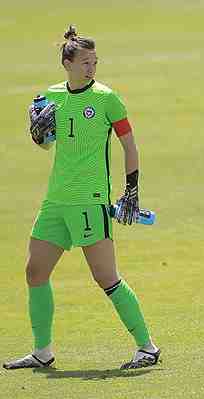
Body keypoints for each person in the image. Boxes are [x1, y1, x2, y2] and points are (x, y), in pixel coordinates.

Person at [3, 25, 160, 370]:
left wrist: (131, 189)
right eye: (85, 62)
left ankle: (147, 347)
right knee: (35, 272)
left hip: (90, 200)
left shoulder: (107, 99)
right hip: (56, 200)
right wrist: (38, 133)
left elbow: (129, 145)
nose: (91, 67)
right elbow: (46, 143)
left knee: (106, 277)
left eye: (95, 62)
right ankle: (42, 352)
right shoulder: (50, 97)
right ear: (67, 63)